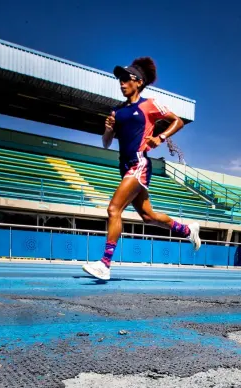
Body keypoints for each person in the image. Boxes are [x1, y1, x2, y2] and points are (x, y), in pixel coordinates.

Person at [82, 57, 200, 281]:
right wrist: (108, 130)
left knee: (113, 210)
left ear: (138, 82)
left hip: (139, 164)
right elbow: (107, 143)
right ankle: (187, 230)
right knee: (148, 216)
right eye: (120, 79)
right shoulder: (116, 111)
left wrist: (160, 137)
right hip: (123, 165)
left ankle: (105, 264)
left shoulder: (149, 104)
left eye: (126, 79)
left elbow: (178, 121)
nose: (121, 83)